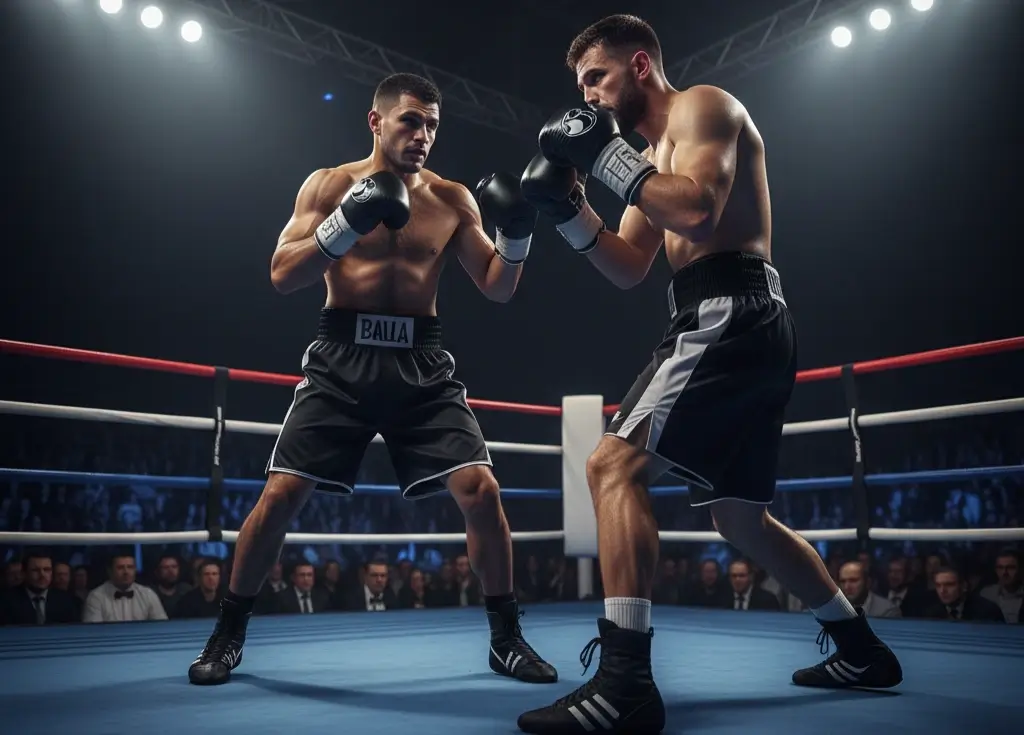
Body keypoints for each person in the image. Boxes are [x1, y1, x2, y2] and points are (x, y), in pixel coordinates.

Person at [515, 15, 902, 734]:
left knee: (610, 467)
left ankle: (625, 684)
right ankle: (860, 649)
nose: (587, 97)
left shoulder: (703, 107)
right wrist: (567, 211)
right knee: (739, 517)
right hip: (733, 316)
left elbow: (697, 210)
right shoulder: (648, 155)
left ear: (639, 64)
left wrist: (601, 154)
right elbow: (629, 265)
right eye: (580, 86)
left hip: (729, 309)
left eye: (596, 77)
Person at [188, 72, 556, 687]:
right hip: (342, 358)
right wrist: (347, 223)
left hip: (421, 363)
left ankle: (506, 639)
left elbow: (497, 287)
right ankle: (227, 634)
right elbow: (282, 273)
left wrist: (516, 233)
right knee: (279, 497)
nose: (423, 135)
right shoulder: (330, 185)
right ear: (376, 121)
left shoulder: (452, 199)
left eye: (432, 124)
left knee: (482, 491)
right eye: (411, 120)